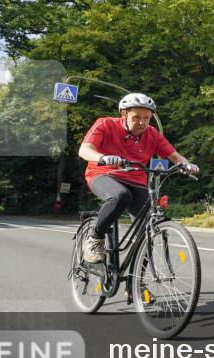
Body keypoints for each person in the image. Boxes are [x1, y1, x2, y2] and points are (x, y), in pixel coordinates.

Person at [77, 93, 198, 264]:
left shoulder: (152, 134)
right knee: (121, 196)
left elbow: (175, 156)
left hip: (136, 180)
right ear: (124, 114)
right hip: (103, 174)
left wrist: (186, 165)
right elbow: (84, 150)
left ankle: (134, 284)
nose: (142, 123)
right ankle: (95, 238)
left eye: (147, 118)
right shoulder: (105, 124)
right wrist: (102, 157)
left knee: (147, 233)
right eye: (137, 117)